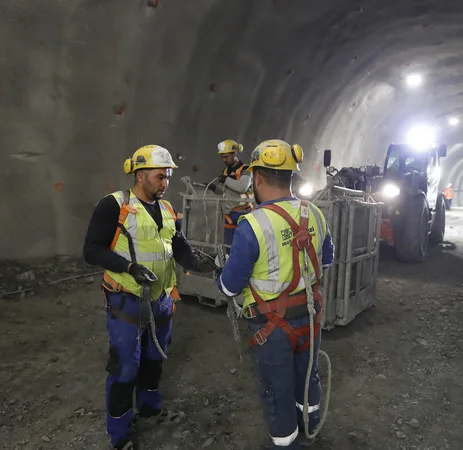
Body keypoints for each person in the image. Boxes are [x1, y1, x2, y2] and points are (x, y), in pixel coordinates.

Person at [83, 144, 216, 450]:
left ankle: (150, 409)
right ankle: (120, 434)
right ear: (140, 175)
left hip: (161, 300)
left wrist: (198, 263)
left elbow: (177, 245)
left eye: (168, 176)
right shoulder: (114, 205)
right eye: (160, 176)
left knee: (154, 357)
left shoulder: (167, 209)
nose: (165, 182)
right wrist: (129, 267)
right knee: (125, 367)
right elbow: (92, 250)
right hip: (126, 300)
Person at [215, 139, 335, 449]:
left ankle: (286, 443)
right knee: (308, 378)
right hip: (310, 319)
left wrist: (223, 270)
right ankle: (310, 431)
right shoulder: (316, 214)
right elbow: (328, 259)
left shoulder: (252, 224)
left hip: (272, 328)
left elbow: (230, 287)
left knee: (277, 390)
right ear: (292, 176)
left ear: (256, 178)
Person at [208, 139, 254, 246]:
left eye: (226, 157)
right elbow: (224, 192)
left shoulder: (246, 169)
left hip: (243, 213)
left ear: (234, 154)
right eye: (222, 157)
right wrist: (214, 188)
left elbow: (242, 187)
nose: (224, 160)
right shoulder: (226, 171)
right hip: (229, 215)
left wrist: (226, 180)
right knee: (229, 246)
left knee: (243, 246)